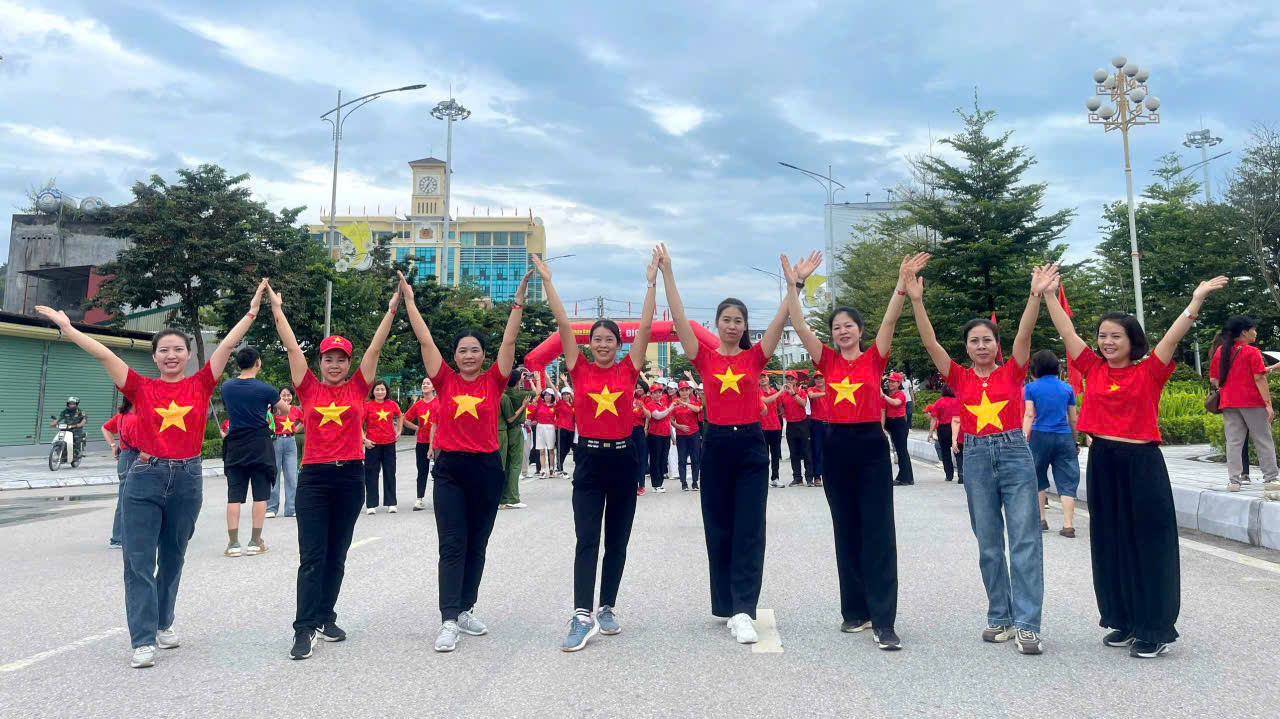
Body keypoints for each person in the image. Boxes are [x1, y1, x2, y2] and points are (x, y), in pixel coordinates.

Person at [35, 280, 266, 669]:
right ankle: (142, 639)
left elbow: (227, 345)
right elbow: (105, 354)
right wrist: (69, 328)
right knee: (138, 560)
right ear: (155, 357)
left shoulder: (201, 383)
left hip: (187, 479)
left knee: (173, 557)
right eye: (164, 350)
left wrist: (252, 312)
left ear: (189, 354)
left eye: (178, 349)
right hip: (144, 477)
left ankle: (163, 622)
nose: (171, 355)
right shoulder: (140, 388)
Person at [1043, 270, 1229, 658]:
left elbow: (1172, 337)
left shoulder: (1150, 370)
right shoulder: (1092, 367)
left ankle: (1154, 627)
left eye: (1116, 336)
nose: (1107, 342)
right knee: (1110, 542)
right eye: (1103, 335)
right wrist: (1047, 295)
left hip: (1142, 463)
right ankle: (1124, 620)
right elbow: (1067, 332)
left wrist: (1196, 300)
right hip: (1103, 462)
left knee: (1149, 543)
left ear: (1132, 340)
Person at [909, 263, 1055, 656]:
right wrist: (917, 302)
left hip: (1014, 454)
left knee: (1025, 540)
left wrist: (1035, 295)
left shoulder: (1012, 372)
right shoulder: (959, 377)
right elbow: (930, 343)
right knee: (989, 544)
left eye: (987, 340)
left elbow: (1024, 334)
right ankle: (1001, 616)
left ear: (997, 345)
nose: (981, 346)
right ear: (967, 348)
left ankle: (1028, 625)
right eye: (974, 341)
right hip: (974, 457)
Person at [659, 244, 797, 645]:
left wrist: (794, 287)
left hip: (751, 445)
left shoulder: (755, 358)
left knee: (750, 528)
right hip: (717, 444)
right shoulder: (704, 358)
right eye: (726, 319)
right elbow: (679, 318)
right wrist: (668, 274)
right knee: (719, 527)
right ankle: (726, 604)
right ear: (717, 324)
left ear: (745, 326)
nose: (733, 325)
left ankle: (743, 610)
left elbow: (781, 320)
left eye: (739, 320)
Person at [786, 253, 924, 651]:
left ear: (860, 331)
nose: (842, 331)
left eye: (849, 326)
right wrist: (796, 285)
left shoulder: (873, 358)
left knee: (877, 531)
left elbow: (890, 321)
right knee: (845, 529)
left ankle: (884, 620)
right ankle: (855, 611)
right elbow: (799, 324)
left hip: (870, 447)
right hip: (836, 447)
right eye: (836, 327)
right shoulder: (826, 360)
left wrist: (901, 285)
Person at [268, 280, 401, 660]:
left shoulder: (358, 388)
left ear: (348, 363)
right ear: (320, 362)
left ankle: (326, 616)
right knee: (312, 557)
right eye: (329, 358)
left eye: (341, 359)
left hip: (350, 478)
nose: (335, 364)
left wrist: (392, 309)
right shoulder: (308, 388)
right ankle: (304, 627)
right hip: (314, 479)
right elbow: (292, 347)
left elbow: (375, 348)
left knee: (337, 555)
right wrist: (277, 308)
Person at [533, 250, 657, 652]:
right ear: (589, 344)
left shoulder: (628, 369)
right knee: (587, 539)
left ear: (619, 345)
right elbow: (562, 324)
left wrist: (652, 284)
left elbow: (645, 326)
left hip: (623, 460)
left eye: (610, 340)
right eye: (597, 340)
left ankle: (606, 607)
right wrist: (548, 282)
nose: (603, 345)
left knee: (617, 540)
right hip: (588, 461)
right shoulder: (579, 367)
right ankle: (582, 615)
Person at [400, 268, 527, 653]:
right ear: (454, 356)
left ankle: (466, 608)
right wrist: (409, 301)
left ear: (483, 355)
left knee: (477, 544)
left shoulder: (494, 380)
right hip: (451, 471)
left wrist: (518, 300)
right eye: (462, 350)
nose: (468, 355)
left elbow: (509, 340)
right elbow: (425, 339)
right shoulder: (445, 380)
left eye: (474, 350)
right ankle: (448, 619)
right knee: (453, 544)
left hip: (487, 470)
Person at [220, 346, 281, 557]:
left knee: (234, 496)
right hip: (259, 444)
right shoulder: (266, 389)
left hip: (235, 444)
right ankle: (255, 541)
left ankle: (233, 543)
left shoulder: (227, 387)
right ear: (258, 362)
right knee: (260, 495)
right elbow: (284, 410)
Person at [1209, 316, 1279, 498]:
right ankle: (1271, 480)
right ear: (1244, 332)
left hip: (1229, 403)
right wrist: (1268, 405)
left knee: (1234, 442)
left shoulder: (1220, 351)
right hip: (1252, 402)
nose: (1255, 332)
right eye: (1253, 329)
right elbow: (1259, 378)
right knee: (1263, 440)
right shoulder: (1251, 351)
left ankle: (1234, 481)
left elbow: (1214, 379)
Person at [1022, 350, 1081, 537]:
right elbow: (1073, 419)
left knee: (1038, 476)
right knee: (1067, 479)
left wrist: (1023, 438)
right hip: (1064, 436)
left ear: (1035, 368)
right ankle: (1068, 525)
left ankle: (1041, 520)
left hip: (1039, 436)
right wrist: (1075, 440)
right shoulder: (1067, 388)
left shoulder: (1031, 388)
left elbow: (1029, 414)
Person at [362, 380, 403, 514]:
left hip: (389, 443)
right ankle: (371, 504)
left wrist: (399, 430)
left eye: (382, 389)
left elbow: (400, 416)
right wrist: (364, 439)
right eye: (377, 389)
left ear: (386, 391)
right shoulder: (367, 405)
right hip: (372, 444)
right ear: (373, 392)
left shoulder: (392, 404)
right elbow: (358, 423)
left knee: (390, 473)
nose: (380, 392)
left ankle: (391, 503)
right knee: (371, 474)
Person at [103, 398, 138, 549]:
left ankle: (118, 538)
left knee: (124, 498)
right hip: (134, 458)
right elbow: (140, 444)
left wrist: (113, 445)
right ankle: (124, 537)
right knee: (138, 499)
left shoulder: (121, 416)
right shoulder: (135, 419)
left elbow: (105, 428)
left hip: (124, 457)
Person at [404, 378, 440, 511]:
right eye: (423, 383)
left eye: (428, 383)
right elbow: (405, 419)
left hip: (438, 443)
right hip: (422, 442)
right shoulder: (418, 404)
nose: (425, 385)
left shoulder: (439, 402)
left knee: (440, 471)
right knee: (422, 471)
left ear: (433, 387)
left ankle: (440, 499)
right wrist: (416, 428)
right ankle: (419, 499)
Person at [497, 372, 532, 508]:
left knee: (501, 465)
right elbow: (511, 418)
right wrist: (523, 406)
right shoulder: (504, 397)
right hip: (504, 432)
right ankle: (511, 498)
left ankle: (500, 497)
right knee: (513, 465)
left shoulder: (494, 394)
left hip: (492, 432)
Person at [267, 387, 302, 519]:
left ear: (292, 396)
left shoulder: (295, 409)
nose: (286, 397)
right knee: (274, 475)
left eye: (289, 395)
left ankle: (291, 508)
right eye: (283, 395)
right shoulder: (273, 409)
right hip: (275, 442)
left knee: (292, 476)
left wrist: (295, 429)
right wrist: (268, 411)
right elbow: (266, 422)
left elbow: (305, 421)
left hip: (290, 442)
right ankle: (271, 508)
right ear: (279, 396)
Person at [781, 371, 813, 487]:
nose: (789, 381)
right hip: (791, 424)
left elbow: (803, 403)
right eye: (788, 379)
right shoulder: (783, 394)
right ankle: (797, 478)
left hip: (802, 423)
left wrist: (793, 393)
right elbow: (781, 409)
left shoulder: (802, 392)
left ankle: (809, 477)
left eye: (792, 379)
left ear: (796, 381)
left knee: (806, 451)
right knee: (794, 453)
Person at [882, 372, 913, 486]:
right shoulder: (889, 394)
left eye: (893, 382)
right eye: (889, 381)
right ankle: (907, 477)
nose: (890, 383)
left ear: (899, 383)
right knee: (901, 451)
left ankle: (905, 478)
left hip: (899, 423)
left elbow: (896, 403)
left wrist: (883, 396)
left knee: (902, 451)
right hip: (891, 423)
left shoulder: (900, 394)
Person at [672, 381, 703, 491]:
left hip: (694, 433)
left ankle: (695, 482)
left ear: (690, 391)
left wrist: (685, 404)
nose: (684, 392)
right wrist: (678, 426)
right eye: (682, 390)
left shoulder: (694, 402)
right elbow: (671, 419)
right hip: (681, 435)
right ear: (679, 391)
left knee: (695, 459)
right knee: (682, 459)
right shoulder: (675, 404)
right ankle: (684, 482)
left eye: (686, 390)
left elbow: (698, 410)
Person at [643, 383, 675, 493]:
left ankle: (660, 483)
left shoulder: (663, 404)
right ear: (651, 394)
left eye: (659, 392)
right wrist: (669, 409)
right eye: (655, 393)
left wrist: (672, 437)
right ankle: (656, 484)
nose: (658, 394)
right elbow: (657, 416)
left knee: (663, 459)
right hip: (655, 435)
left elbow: (668, 421)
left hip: (666, 435)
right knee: (655, 459)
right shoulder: (650, 404)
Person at [928, 387, 961, 482]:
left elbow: (934, 418)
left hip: (944, 429)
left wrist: (930, 433)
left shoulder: (939, 402)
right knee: (958, 452)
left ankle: (949, 475)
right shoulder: (959, 401)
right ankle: (961, 475)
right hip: (957, 428)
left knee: (945, 452)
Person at [759, 376, 785, 488]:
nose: (763, 379)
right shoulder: (757, 391)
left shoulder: (774, 391)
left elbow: (781, 408)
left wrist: (775, 415)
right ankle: (762, 479)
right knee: (763, 455)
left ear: (768, 378)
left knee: (775, 454)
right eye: (760, 377)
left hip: (775, 426)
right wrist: (780, 392)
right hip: (762, 427)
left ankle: (775, 478)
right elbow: (766, 401)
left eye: (764, 377)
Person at [533, 388, 559, 478]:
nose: (547, 396)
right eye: (545, 395)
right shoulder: (540, 403)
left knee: (551, 450)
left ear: (552, 396)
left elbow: (558, 417)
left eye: (549, 395)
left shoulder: (555, 406)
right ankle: (543, 470)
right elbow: (537, 391)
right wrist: (535, 381)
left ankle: (551, 469)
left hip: (550, 428)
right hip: (540, 427)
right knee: (541, 450)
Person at [52, 396, 87, 463]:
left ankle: (77, 453)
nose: (71, 405)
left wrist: (80, 424)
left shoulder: (80, 411)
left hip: (76, 429)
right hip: (66, 428)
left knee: (76, 439)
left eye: (73, 404)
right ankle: (60, 453)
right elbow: (59, 418)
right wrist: (54, 423)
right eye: (70, 403)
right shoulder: (65, 411)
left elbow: (84, 419)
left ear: (76, 404)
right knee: (59, 438)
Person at [808, 372, 828, 487]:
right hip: (816, 423)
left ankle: (830, 475)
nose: (819, 380)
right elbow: (811, 396)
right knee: (817, 450)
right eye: (817, 378)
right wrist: (827, 393)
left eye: (821, 377)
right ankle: (817, 476)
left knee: (831, 450)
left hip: (830, 422)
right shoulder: (812, 389)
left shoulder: (831, 388)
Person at [631, 384, 650, 495]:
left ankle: (641, 485)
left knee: (641, 458)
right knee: (629, 459)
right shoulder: (621, 402)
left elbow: (649, 415)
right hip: (626, 432)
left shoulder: (639, 402)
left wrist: (642, 408)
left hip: (638, 432)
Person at [556, 386, 577, 478]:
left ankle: (559, 467)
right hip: (562, 428)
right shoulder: (560, 403)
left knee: (568, 449)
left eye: (567, 394)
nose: (565, 396)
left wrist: (566, 383)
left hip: (571, 430)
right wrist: (549, 381)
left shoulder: (573, 405)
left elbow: (575, 396)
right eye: (563, 394)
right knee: (561, 449)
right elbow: (555, 392)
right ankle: (559, 469)